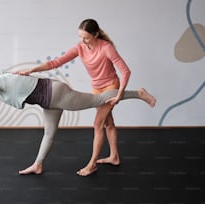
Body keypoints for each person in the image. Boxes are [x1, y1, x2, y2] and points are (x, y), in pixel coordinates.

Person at [0, 71, 156, 175]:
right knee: (49, 133)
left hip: (57, 94)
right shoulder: (0, 78)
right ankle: (38, 164)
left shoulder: (1, 81)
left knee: (97, 99)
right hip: (48, 100)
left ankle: (138, 93)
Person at [13, 18, 156, 176]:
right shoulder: (80, 47)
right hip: (96, 87)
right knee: (108, 123)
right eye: (80, 37)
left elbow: (125, 71)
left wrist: (119, 94)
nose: (82, 41)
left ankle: (92, 164)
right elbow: (56, 62)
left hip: (110, 86)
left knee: (97, 124)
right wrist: (30, 71)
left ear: (95, 34)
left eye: (86, 37)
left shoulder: (106, 47)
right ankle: (114, 157)